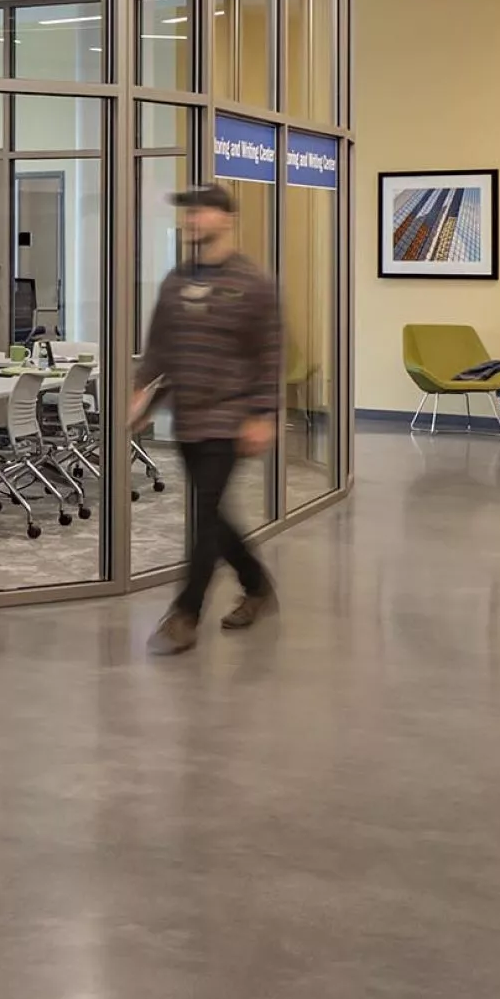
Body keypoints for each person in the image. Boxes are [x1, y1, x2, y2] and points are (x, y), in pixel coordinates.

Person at [130, 183, 280, 655]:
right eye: (187, 213)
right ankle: (257, 584)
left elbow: (269, 353)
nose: (191, 219)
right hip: (189, 416)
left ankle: (186, 614)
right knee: (212, 513)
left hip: (230, 416)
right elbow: (160, 347)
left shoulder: (252, 283)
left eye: (201, 212)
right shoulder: (176, 281)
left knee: (203, 515)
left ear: (226, 219)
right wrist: (142, 397)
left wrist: (262, 413)